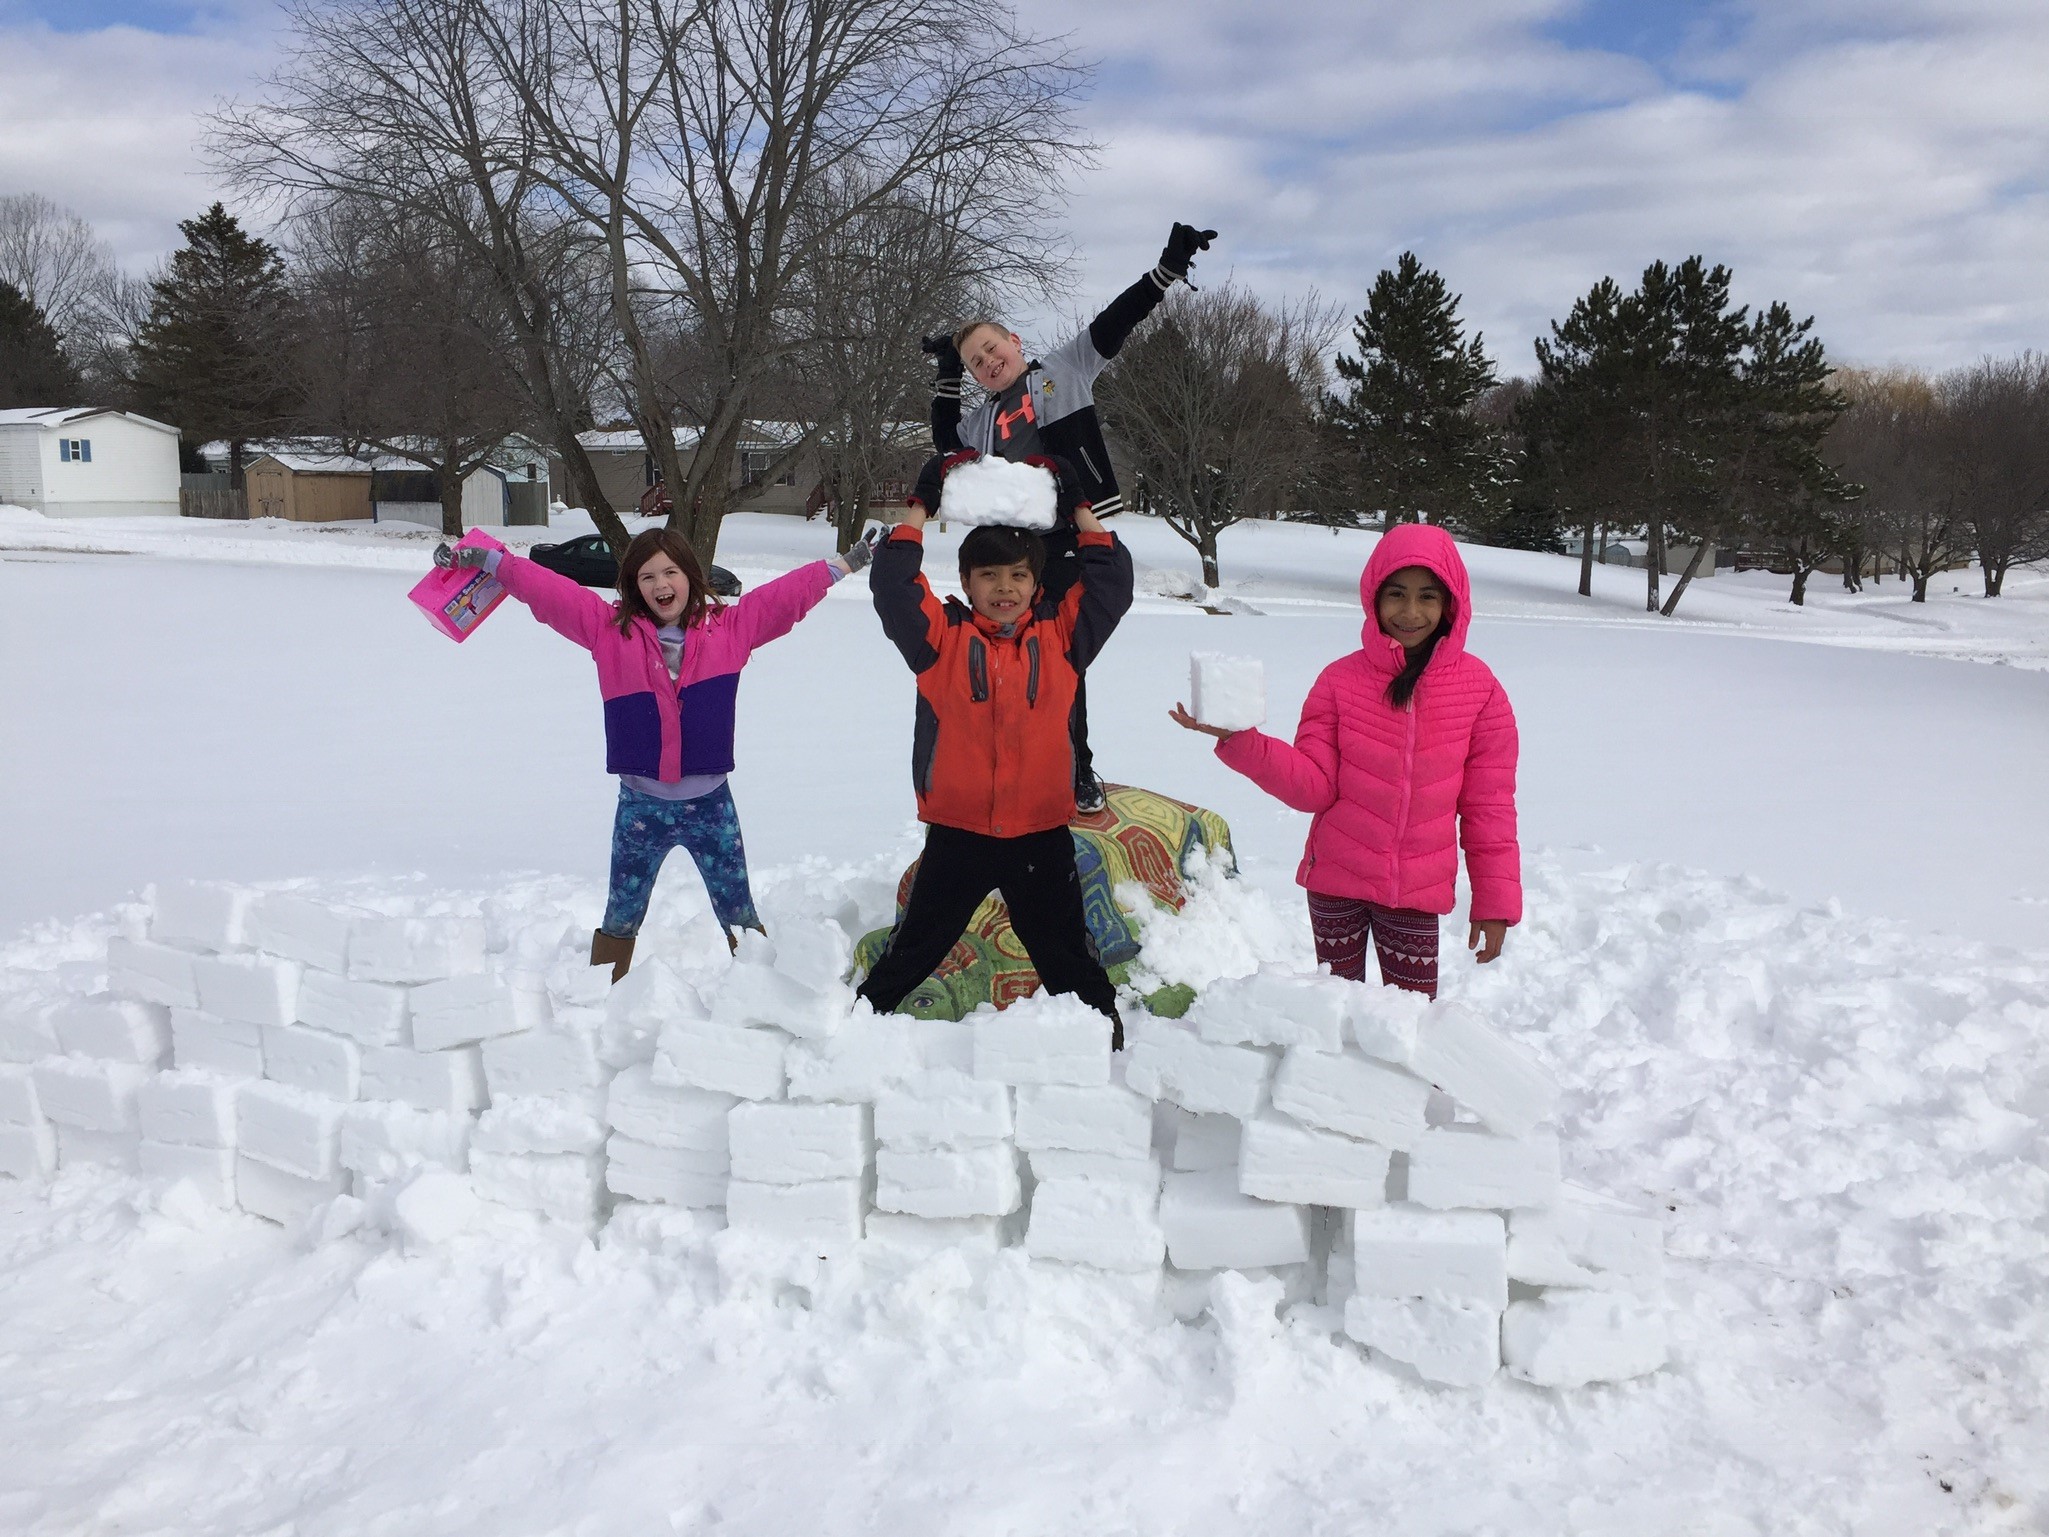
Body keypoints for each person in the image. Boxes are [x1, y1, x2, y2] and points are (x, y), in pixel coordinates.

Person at [435, 527, 873, 980]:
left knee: (738, 911)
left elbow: (785, 598)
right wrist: (489, 561)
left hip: (711, 807)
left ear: (691, 575)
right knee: (621, 913)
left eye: (671, 572)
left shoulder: (731, 628)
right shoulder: (608, 629)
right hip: (640, 808)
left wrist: (845, 564)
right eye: (647, 577)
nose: (661, 585)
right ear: (632, 585)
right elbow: (550, 593)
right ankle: (600, 996)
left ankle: (760, 992)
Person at [919, 221, 1217, 813]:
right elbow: (943, 439)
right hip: (1020, 553)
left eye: (991, 350)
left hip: (1076, 534)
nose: (988, 363)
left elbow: (1115, 323)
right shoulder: (982, 423)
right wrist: (948, 376)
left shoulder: (1064, 369)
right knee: (1024, 660)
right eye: (977, 363)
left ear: (1015, 341)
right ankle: (1024, 766)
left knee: (1062, 661)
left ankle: (1077, 768)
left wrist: (1167, 269)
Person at [1169, 523, 1520, 998]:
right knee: (1334, 1013)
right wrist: (1240, 739)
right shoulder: (1339, 682)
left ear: (1451, 602)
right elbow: (1313, 787)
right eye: (1396, 594)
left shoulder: (1480, 690)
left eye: (1428, 597)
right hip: (1336, 884)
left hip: (1416, 896)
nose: (1411, 612)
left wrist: (1494, 902)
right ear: (1373, 597)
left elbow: (1489, 807)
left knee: (1410, 1022)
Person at [859, 469, 1135, 1040]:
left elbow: (1111, 585)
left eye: (1018, 575)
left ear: (1038, 585)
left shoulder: (1063, 639)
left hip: (1040, 835)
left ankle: (1105, 1045)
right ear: (965, 580)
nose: (1004, 587)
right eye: (989, 575)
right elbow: (892, 584)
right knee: (913, 951)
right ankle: (853, 1032)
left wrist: (1081, 508)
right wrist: (920, 506)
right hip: (959, 836)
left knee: (1067, 960)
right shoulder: (940, 641)